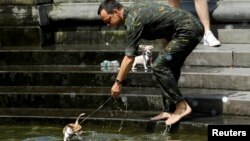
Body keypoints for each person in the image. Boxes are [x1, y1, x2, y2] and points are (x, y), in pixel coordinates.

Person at [97, 0, 204, 125]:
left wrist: (118, 83)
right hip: (186, 28)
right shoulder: (134, 11)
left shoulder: (133, 20)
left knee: (159, 66)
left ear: (115, 12)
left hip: (188, 30)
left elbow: (129, 58)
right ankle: (169, 110)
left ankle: (182, 107)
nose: (108, 25)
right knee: (168, 67)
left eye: (108, 21)